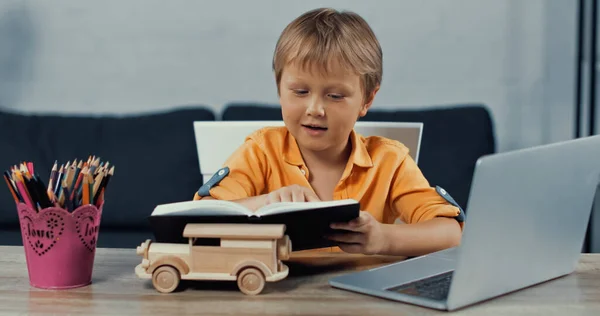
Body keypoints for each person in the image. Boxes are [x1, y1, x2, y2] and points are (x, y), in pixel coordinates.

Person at [193, 8, 464, 257]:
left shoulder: (389, 161)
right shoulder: (260, 151)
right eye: (300, 92)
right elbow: (199, 217)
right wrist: (265, 203)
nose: (315, 109)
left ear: (367, 99)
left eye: (334, 96)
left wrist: (384, 238)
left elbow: (452, 234)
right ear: (279, 89)